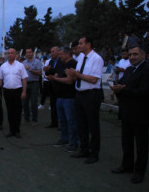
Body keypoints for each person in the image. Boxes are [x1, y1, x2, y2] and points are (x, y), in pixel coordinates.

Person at [110, 46, 149, 184]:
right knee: (126, 141)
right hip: (126, 112)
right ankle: (127, 165)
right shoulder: (129, 70)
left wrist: (123, 90)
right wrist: (117, 89)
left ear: (143, 55)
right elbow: (123, 85)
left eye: (135, 54)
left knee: (141, 145)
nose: (131, 57)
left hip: (140, 113)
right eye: (130, 55)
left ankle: (139, 171)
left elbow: (144, 91)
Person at [67, 36, 104, 164]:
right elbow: (79, 73)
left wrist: (77, 75)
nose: (79, 46)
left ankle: (94, 153)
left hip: (91, 95)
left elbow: (94, 79)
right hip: (80, 93)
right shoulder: (81, 57)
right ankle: (84, 149)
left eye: (81, 44)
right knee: (81, 124)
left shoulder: (97, 59)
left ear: (88, 44)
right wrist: (74, 73)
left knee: (93, 125)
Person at [47, 46, 78, 152]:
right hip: (59, 96)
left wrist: (55, 78)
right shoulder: (60, 63)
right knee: (63, 120)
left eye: (61, 54)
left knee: (71, 121)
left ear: (67, 54)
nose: (59, 56)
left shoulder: (73, 63)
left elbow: (70, 80)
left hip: (69, 97)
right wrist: (54, 77)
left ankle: (74, 142)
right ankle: (64, 139)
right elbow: (56, 74)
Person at [0, 48, 28, 138]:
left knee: (17, 111)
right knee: (9, 111)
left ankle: (17, 130)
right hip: (7, 91)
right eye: (8, 53)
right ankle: (11, 130)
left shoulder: (20, 65)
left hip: (17, 90)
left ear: (15, 54)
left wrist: (24, 91)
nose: (10, 54)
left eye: (12, 53)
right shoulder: (3, 66)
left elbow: (24, 79)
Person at [22, 48, 43, 126]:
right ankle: (27, 119)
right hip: (25, 84)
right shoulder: (24, 62)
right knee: (25, 102)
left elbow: (40, 72)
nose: (28, 54)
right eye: (27, 52)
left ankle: (34, 119)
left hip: (34, 83)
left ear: (33, 53)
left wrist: (30, 69)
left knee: (34, 102)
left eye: (29, 52)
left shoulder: (37, 62)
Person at [44, 46, 62, 128]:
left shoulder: (62, 61)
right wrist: (46, 70)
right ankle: (54, 122)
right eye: (51, 52)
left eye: (53, 51)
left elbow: (60, 73)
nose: (51, 53)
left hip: (60, 86)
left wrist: (54, 76)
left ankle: (62, 124)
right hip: (52, 86)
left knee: (60, 106)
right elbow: (48, 74)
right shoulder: (50, 62)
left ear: (59, 52)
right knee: (53, 104)